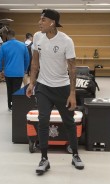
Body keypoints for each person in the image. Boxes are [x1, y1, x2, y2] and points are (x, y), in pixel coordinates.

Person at [26, 9, 84, 175]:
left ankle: (75, 155)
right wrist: (32, 83)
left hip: (62, 88)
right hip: (43, 87)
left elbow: (72, 68)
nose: (39, 23)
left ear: (52, 23)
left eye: (43, 20)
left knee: (69, 122)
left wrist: (72, 93)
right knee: (43, 120)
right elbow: (35, 62)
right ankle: (44, 158)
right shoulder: (37, 37)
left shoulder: (66, 41)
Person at [0, 30, 30, 112]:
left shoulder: (4, 46)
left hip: (8, 72)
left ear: (7, 36)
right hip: (19, 72)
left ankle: (10, 106)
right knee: (17, 89)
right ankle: (16, 105)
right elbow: (27, 59)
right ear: (14, 35)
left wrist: (0, 69)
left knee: (9, 89)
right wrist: (25, 69)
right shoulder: (23, 45)